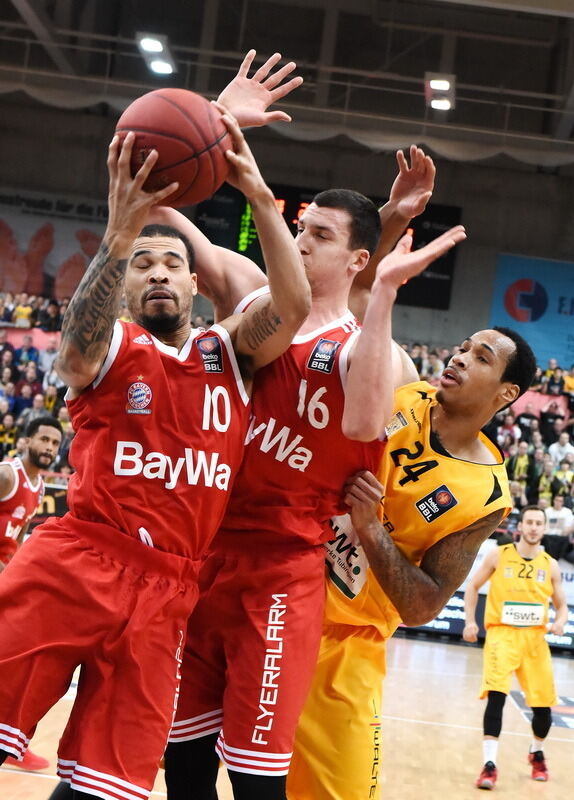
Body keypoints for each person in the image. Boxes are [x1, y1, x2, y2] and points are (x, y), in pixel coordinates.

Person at [0, 89, 311, 800]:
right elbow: (76, 350)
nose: (159, 274)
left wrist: (257, 192)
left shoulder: (228, 351)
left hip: (170, 589)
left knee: (107, 789)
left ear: (197, 285)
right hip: (79, 561)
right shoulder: (108, 343)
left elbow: (292, 306)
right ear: (124, 284)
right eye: (143, 266)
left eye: (171, 264)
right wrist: (118, 237)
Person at [163, 155, 454, 799]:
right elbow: (177, 233)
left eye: (321, 236)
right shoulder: (255, 303)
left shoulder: (366, 348)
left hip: (280, 575)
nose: (300, 242)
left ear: (357, 260)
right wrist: (197, 144)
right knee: (181, 768)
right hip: (204, 559)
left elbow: (367, 420)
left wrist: (383, 292)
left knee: (256, 782)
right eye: (302, 229)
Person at [287, 326, 538, 800]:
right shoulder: (401, 390)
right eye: (462, 347)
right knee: (177, 750)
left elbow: (423, 606)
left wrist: (369, 527)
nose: (460, 357)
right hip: (275, 594)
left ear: (507, 394)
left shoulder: (485, 496)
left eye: (481, 358)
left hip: (346, 644)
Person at [462, 506, 567, 789]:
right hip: (501, 635)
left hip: (534, 640)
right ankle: (489, 765)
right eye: (529, 522)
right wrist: (470, 621)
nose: (533, 527)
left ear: (544, 528)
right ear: (520, 526)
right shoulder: (499, 555)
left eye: (538, 523)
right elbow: (472, 586)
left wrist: (560, 621)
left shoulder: (551, 565)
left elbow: (561, 605)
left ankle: (536, 752)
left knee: (543, 709)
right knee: (496, 697)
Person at [0, 416, 62, 771]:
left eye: (54, 443)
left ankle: (12, 740)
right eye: (43, 440)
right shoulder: (7, 475)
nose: (49, 448)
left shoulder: (38, 486)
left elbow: (18, 535)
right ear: (26, 441)